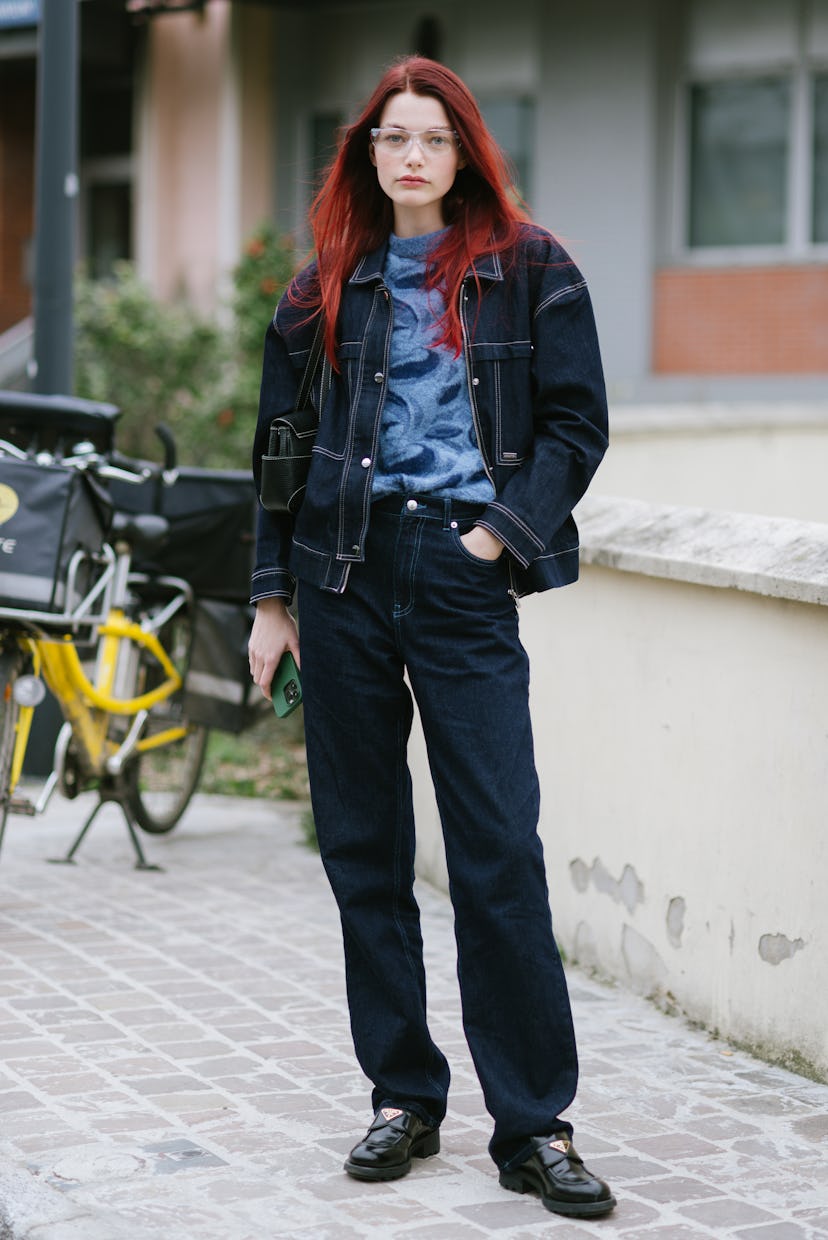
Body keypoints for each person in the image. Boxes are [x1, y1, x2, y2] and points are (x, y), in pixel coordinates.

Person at [248, 55, 615, 1220]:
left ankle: (535, 1123)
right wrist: (269, 601)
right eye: (392, 138)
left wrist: (494, 540)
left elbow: (575, 426)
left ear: (464, 154)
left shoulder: (531, 268)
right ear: (368, 154)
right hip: (340, 579)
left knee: (498, 847)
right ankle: (402, 1095)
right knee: (364, 851)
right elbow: (277, 455)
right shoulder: (322, 289)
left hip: (459, 574)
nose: (412, 156)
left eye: (434, 139)